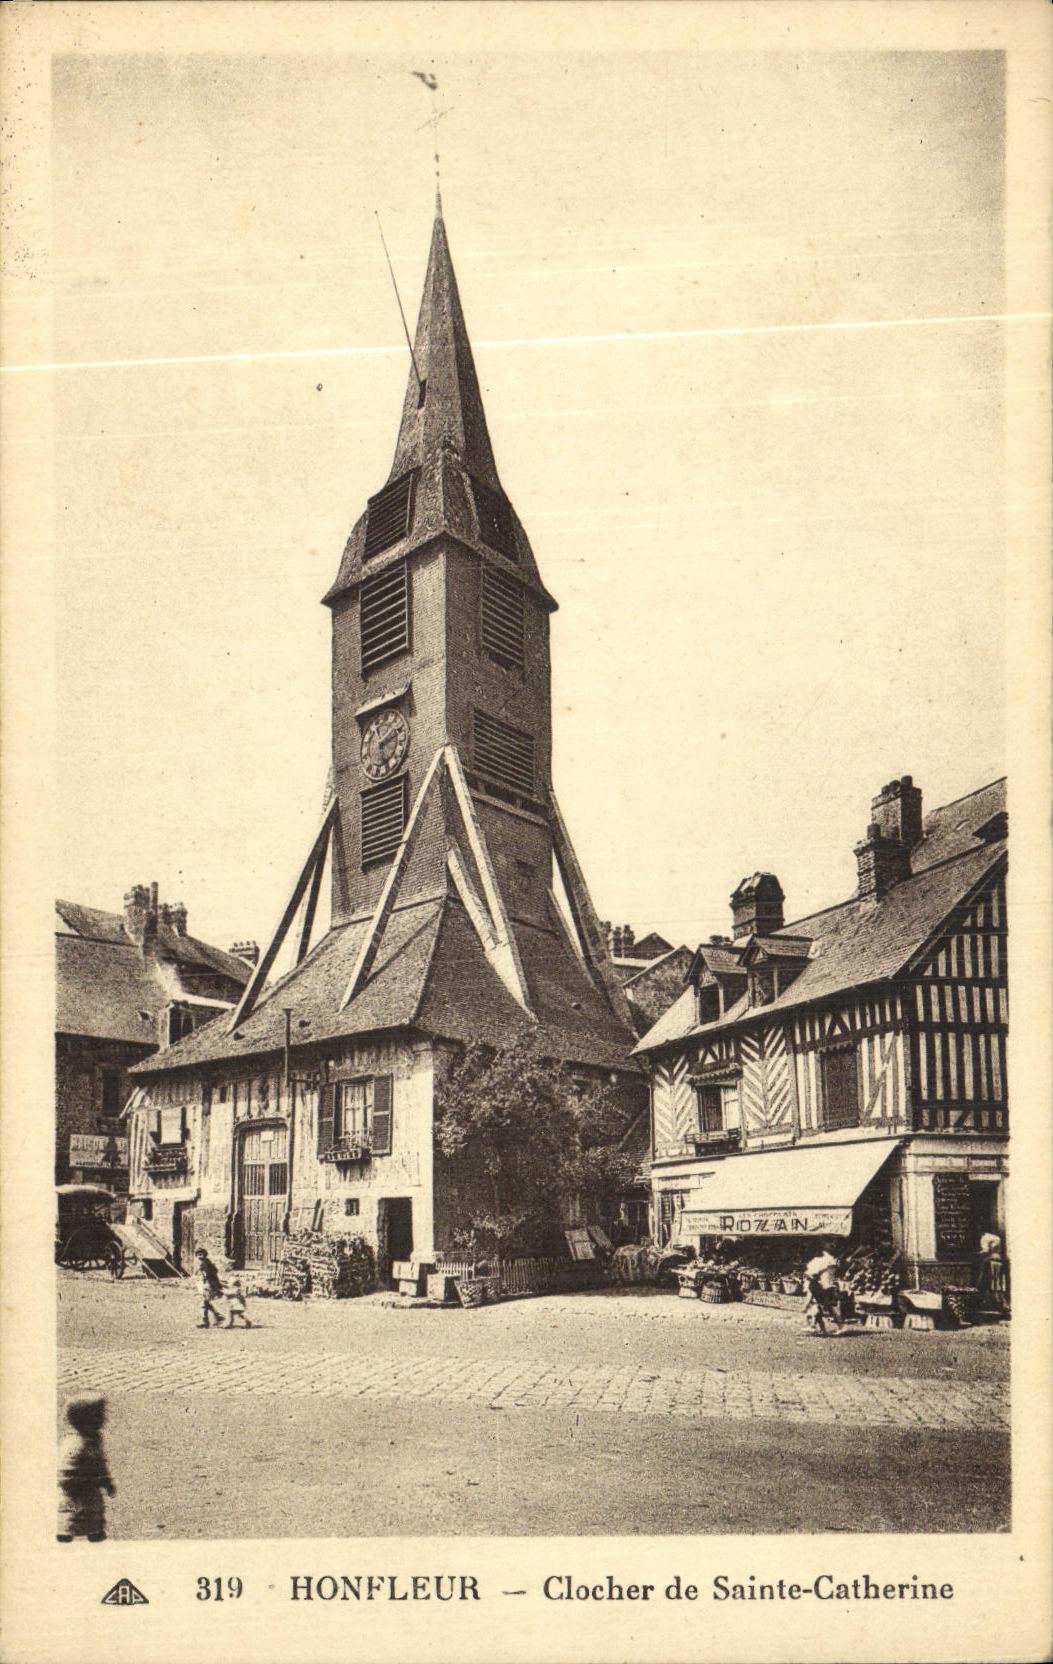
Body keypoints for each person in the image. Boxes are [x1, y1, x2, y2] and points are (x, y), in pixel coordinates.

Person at [57, 1396, 115, 1542]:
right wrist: (103, 1481)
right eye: (99, 1416)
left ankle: (80, 1532)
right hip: (81, 1486)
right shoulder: (81, 1443)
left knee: (80, 1511)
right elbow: (95, 1465)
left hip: (80, 1487)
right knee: (80, 1511)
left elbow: (99, 1463)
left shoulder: (85, 1439)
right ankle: (78, 1533)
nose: (104, 1419)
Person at [803, 1244, 842, 1336]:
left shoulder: (819, 1261)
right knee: (829, 1308)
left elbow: (812, 1275)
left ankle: (813, 1326)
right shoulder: (831, 1260)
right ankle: (819, 1328)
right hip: (827, 1286)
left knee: (819, 1308)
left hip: (821, 1287)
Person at [195, 1247, 225, 1328]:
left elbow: (207, 1275)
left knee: (203, 1303)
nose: (199, 1256)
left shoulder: (204, 1264)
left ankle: (205, 1321)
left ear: (205, 1255)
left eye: (201, 1254)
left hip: (208, 1286)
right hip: (205, 1285)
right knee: (206, 1303)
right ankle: (217, 1317)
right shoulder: (205, 1263)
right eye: (198, 1254)